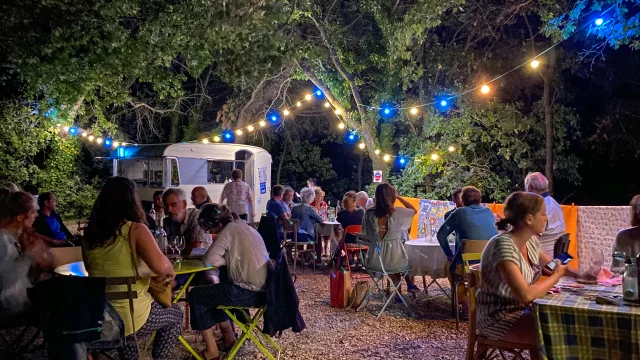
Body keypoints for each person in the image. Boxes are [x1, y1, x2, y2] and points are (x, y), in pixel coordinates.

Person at [83, 177, 182, 360]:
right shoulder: (135, 230)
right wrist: (163, 280)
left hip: (99, 318)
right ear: (132, 202)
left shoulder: (89, 235)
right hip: (132, 317)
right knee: (175, 315)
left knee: (128, 330)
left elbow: (91, 270)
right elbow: (165, 269)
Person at [477, 192, 566, 359]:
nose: (546, 218)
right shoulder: (502, 246)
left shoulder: (530, 241)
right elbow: (525, 294)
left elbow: (550, 264)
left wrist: (575, 271)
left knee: (559, 324)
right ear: (529, 219)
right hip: (498, 318)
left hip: (521, 310)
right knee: (557, 333)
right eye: (543, 214)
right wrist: (556, 277)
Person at [188, 204, 270, 360]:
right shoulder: (244, 226)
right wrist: (229, 260)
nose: (209, 234)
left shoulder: (228, 230)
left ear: (218, 225)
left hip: (249, 292)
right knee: (214, 291)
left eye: (209, 230)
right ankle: (229, 338)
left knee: (196, 295)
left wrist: (225, 261)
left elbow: (208, 260)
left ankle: (211, 351)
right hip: (264, 289)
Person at [361, 183, 418, 295]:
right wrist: (399, 197)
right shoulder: (397, 213)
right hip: (395, 261)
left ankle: (399, 292)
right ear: (392, 197)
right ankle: (405, 287)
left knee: (390, 259)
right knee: (399, 259)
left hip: (374, 260)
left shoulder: (368, 213)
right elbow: (413, 210)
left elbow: (365, 235)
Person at [437, 186, 498, 279]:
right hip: (490, 263)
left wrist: (449, 254)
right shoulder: (488, 211)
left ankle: (457, 292)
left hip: (467, 266)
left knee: (448, 268)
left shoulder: (459, 212)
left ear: (462, 200)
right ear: (480, 200)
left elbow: (441, 236)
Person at [0, 191, 37, 316]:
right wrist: (30, 254)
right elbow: (9, 281)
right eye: (33, 212)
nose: (36, 215)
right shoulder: (3, 241)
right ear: (20, 217)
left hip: (17, 300)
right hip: (10, 306)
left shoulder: (13, 237)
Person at [524, 172, 566, 257]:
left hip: (542, 261)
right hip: (557, 260)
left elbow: (532, 240)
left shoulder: (539, 208)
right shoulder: (554, 203)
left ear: (529, 188)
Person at [163, 188, 210, 255]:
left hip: (202, 262)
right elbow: (161, 248)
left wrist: (174, 250)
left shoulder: (197, 216)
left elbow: (196, 248)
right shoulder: (166, 221)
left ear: (184, 204)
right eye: (166, 206)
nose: (169, 209)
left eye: (173, 204)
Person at [611, 195, 640, 274]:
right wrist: (634, 268)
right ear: (638, 215)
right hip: (632, 284)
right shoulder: (623, 238)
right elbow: (616, 269)